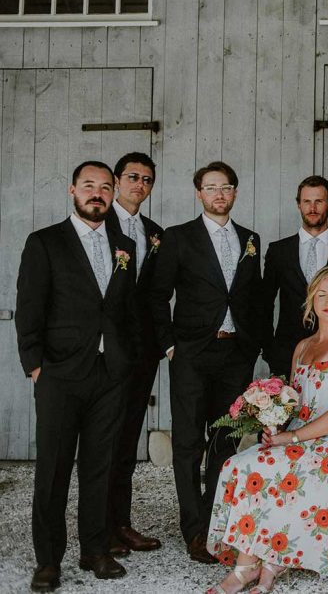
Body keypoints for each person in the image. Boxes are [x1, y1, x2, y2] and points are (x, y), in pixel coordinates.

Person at [16, 161, 141, 591]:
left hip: (109, 374)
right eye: (89, 186)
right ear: (72, 190)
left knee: (99, 466)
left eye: (106, 187)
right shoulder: (45, 242)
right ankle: (49, 560)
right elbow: (29, 306)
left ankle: (94, 550)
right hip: (60, 373)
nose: (98, 193)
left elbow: (124, 310)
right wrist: (35, 364)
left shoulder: (124, 244)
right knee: (53, 469)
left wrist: (125, 361)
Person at [206, 265, 328, 593]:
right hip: (299, 431)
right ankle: (255, 563)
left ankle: (252, 568)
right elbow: (294, 401)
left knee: (262, 468)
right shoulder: (303, 347)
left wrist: (291, 437)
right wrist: (270, 419)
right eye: (322, 295)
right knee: (239, 465)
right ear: (311, 301)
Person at [148, 161, 267, 564]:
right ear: (199, 193)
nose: (219, 194)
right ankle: (194, 529)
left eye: (227, 187)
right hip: (192, 353)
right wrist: (168, 346)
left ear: (235, 193)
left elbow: (254, 297)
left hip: (236, 354)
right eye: (211, 187)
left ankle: (217, 522)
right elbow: (156, 294)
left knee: (227, 441)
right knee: (188, 443)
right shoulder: (178, 238)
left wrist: (253, 346)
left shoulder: (251, 239)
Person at [104, 152, 165, 557]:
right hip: (104, 350)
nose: (138, 185)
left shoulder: (155, 232)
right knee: (102, 440)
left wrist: (164, 341)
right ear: (116, 179)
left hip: (142, 352)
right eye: (132, 177)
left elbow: (158, 294)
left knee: (126, 440)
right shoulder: (95, 224)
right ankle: (98, 528)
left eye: (146, 180)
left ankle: (119, 524)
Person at [262, 175, 328, 379]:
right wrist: (269, 349)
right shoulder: (279, 250)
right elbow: (264, 304)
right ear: (299, 205)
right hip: (285, 352)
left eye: (319, 201)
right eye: (306, 201)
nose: (312, 208)